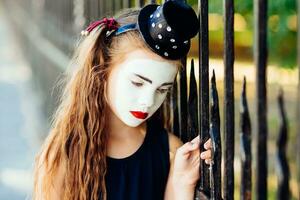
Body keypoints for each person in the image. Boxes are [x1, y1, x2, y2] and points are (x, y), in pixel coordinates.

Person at [33, 1, 212, 200]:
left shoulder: (170, 150)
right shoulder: (64, 154)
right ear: (103, 72)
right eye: (137, 83)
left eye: (162, 89)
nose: (147, 101)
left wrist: (183, 182)